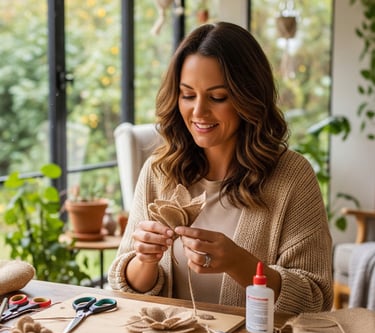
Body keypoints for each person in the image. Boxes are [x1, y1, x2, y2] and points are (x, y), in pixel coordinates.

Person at [108, 21, 333, 314]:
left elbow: (315, 298)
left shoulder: (292, 177)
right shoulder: (158, 171)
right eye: (188, 95)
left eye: (217, 97)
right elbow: (123, 288)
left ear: (248, 97)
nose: (198, 111)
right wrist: (144, 260)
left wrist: (239, 263)